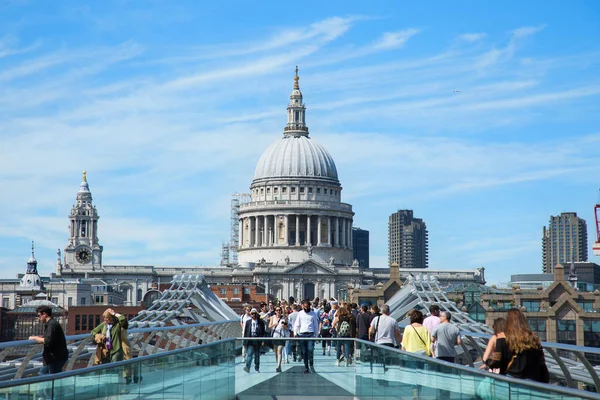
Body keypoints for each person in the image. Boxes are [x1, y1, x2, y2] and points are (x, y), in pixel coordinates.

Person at [492, 309, 549, 382]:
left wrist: (487, 362)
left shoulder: (503, 338)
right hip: (533, 381)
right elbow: (541, 361)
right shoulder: (533, 338)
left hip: (511, 380)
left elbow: (496, 362)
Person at [29, 305, 68, 375]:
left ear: (44, 314)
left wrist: (34, 338)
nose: (38, 318)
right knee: (45, 374)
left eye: (39, 315)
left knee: (47, 376)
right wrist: (40, 337)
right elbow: (50, 337)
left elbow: (48, 341)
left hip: (54, 359)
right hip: (55, 358)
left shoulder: (51, 324)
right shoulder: (52, 323)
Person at [293, 299, 319, 373]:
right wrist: (295, 333)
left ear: (309, 306)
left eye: (307, 307)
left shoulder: (313, 314)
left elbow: (316, 325)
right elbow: (297, 324)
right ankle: (306, 367)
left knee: (310, 350)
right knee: (304, 352)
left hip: (310, 334)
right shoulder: (300, 313)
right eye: (304, 307)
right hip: (302, 334)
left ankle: (311, 365)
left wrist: (316, 335)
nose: (306, 308)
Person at [243, 308, 266, 373]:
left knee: (257, 355)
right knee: (249, 354)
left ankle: (257, 368)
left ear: (256, 314)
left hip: (258, 340)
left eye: (255, 313)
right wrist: (244, 342)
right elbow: (246, 332)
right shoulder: (248, 322)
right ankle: (247, 367)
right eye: (252, 313)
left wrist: (263, 340)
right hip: (250, 340)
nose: (253, 315)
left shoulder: (260, 322)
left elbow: (263, 332)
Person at [269, 305, 288, 372]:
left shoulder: (284, 318)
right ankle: (278, 364)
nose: (278, 311)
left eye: (279, 310)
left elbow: (287, 328)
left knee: (279, 351)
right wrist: (274, 324)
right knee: (276, 352)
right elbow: (269, 326)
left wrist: (284, 326)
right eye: (277, 310)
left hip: (281, 337)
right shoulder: (272, 318)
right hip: (274, 336)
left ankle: (278, 365)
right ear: (275, 311)